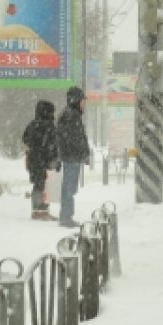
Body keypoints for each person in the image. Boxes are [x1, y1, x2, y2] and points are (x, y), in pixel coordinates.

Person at [56, 86, 91, 227]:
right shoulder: (71, 115)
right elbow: (76, 139)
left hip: (71, 156)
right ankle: (65, 217)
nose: (84, 104)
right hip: (72, 157)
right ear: (76, 100)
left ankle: (66, 215)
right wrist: (84, 153)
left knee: (69, 188)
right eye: (82, 101)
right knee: (69, 188)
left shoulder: (69, 114)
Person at [21, 99, 58, 220]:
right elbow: (53, 145)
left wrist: (33, 148)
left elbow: (25, 139)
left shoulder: (32, 124)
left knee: (38, 185)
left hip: (34, 160)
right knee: (44, 186)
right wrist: (54, 160)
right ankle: (41, 211)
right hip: (45, 161)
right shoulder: (48, 126)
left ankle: (37, 210)